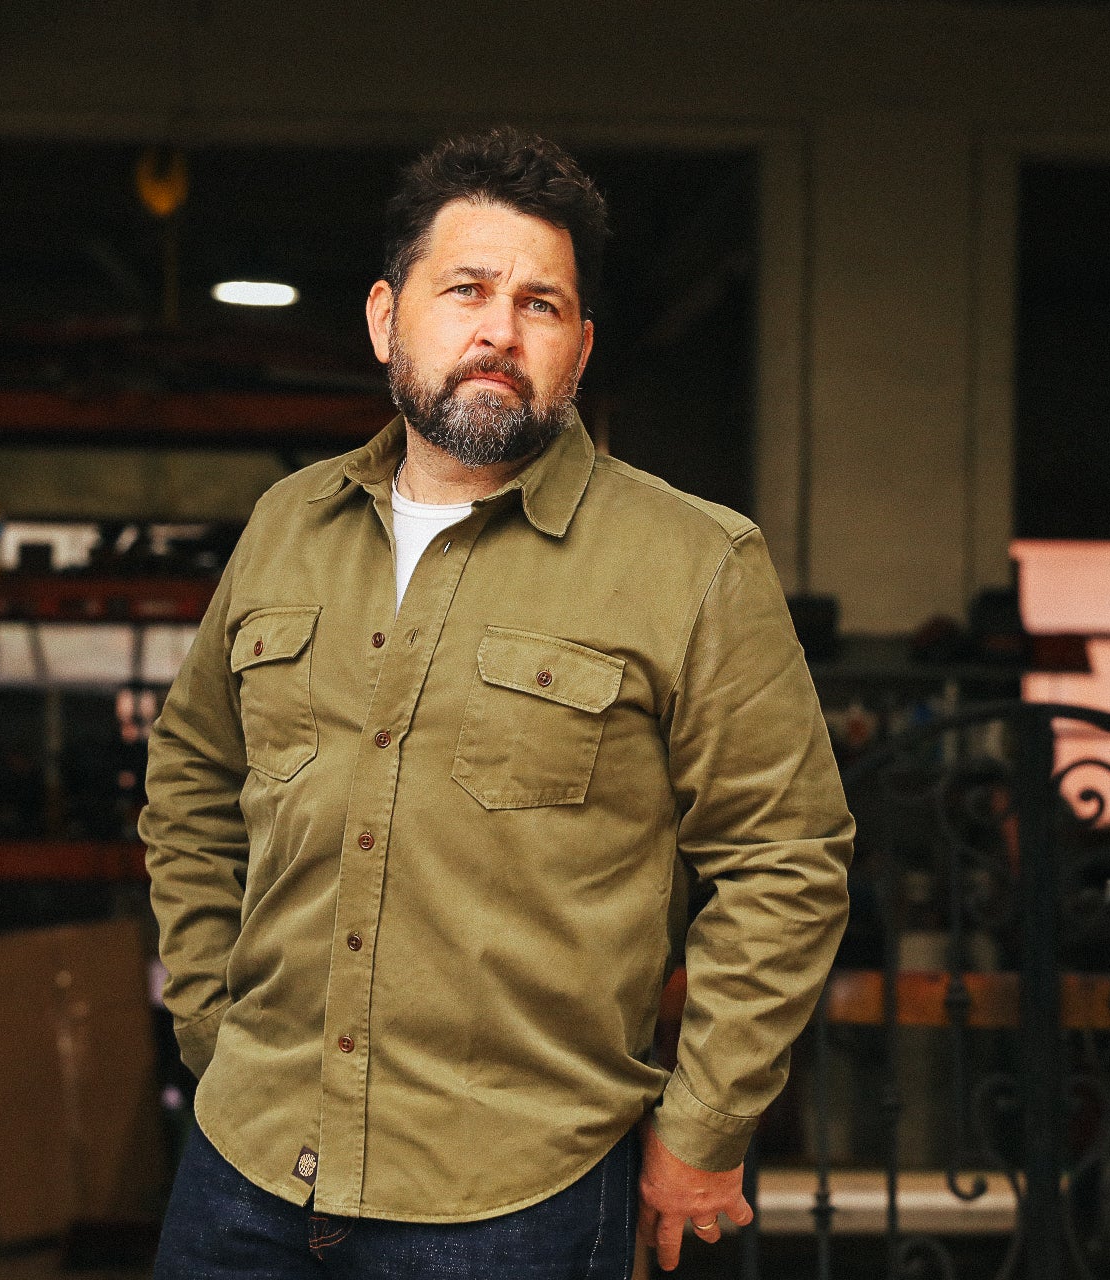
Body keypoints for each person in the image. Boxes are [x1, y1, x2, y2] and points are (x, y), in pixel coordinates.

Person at [144, 127, 853, 1278]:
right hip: (248, 1163)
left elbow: (787, 856)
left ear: (578, 347)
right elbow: (188, 776)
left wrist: (704, 1123)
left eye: (541, 304)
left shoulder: (695, 562)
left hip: (518, 1193)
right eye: (466, 289)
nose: (498, 330)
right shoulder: (286, 526)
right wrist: (213, 1023)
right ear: (387, 317)